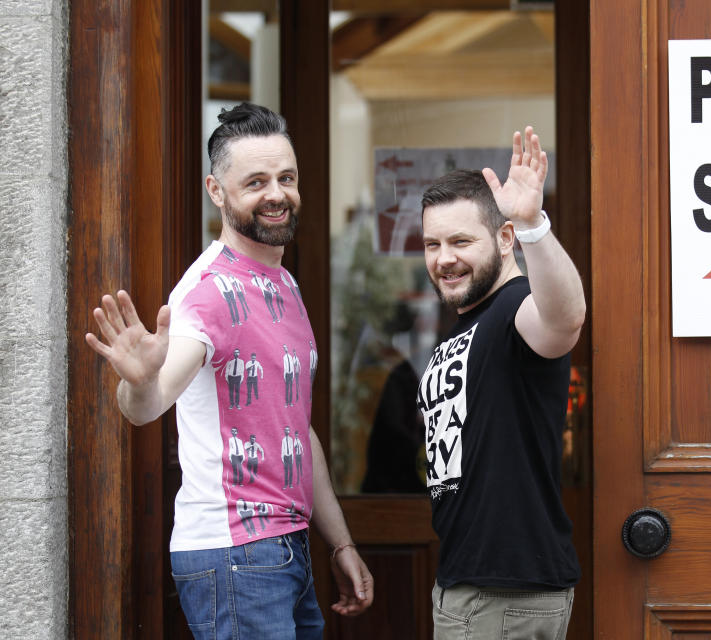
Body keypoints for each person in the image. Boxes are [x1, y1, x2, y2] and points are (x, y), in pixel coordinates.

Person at [84, 102, 373, 638]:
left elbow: (296, 432)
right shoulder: (207, 292)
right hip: (235, 550)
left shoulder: (285, 286)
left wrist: (340, 542)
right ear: (216, 191)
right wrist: (140, 379)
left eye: (286, 178)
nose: (276, 194)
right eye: (256, 181)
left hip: (286, 547)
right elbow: (148, 406)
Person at [418, 126, 584, 639]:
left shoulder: (515, 309)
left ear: (504, 238)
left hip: (504, 595)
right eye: (432, 244)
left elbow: (565, 318)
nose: (444, 258)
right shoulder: (471, 322)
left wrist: (534, 224)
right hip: (476, 588)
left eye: (461, 241)